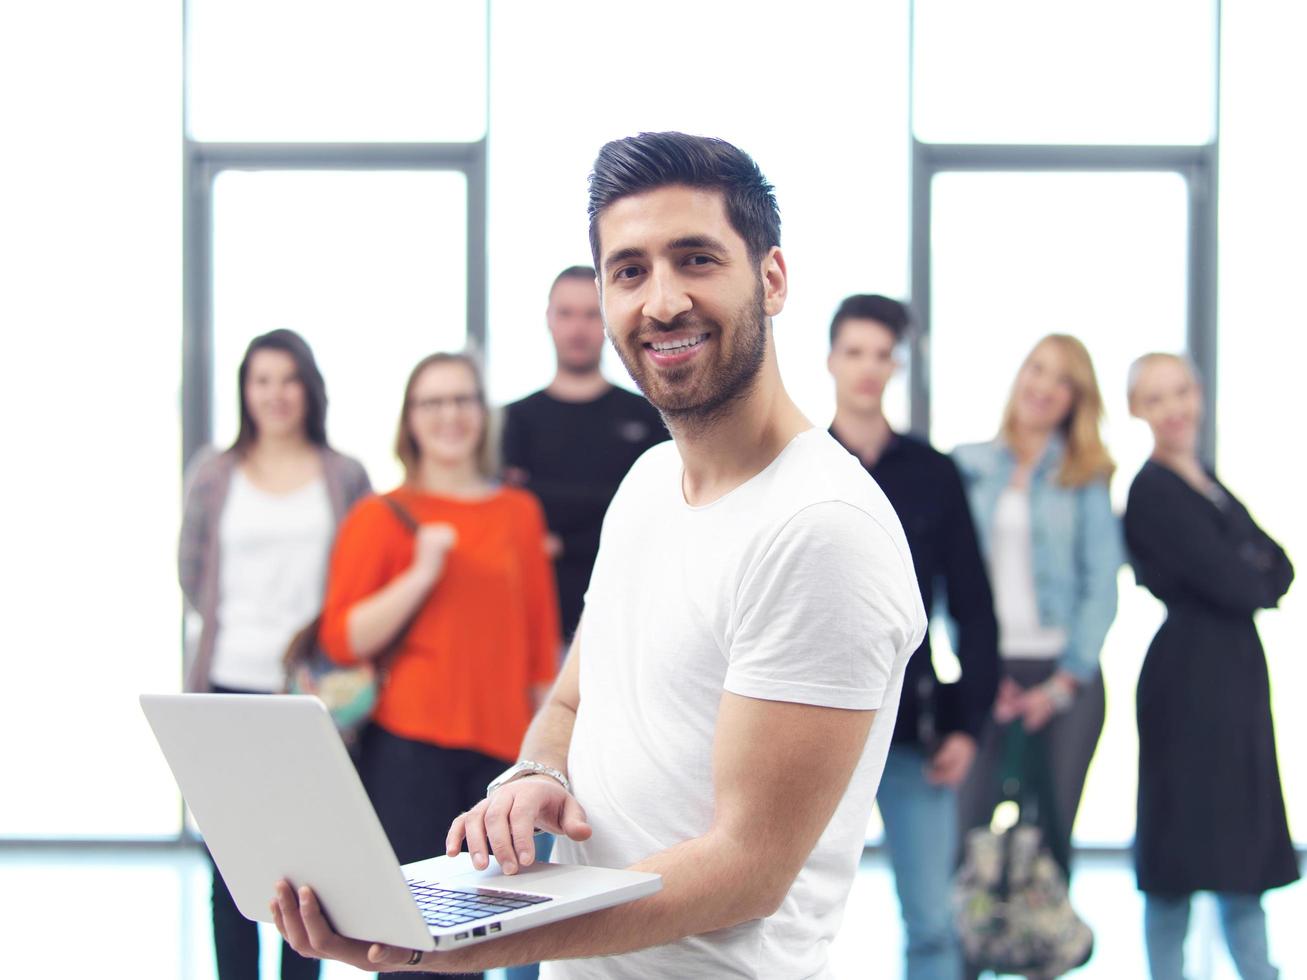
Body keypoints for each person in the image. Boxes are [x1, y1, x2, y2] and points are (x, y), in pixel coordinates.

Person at [272, 131, 927, 978]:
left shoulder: (822, 530)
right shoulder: (650, 482)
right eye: (629, 271)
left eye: (695, 259)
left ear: (771, 278)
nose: (660, 302)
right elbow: (575, 699)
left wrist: (460, 939)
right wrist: (532, 774)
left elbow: (746, 870)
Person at [317, 352, 560, 970]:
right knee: (414, 949)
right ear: (410, 419)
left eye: (462, 400)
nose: (449, 415)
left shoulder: (518, 513)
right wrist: (421, 573)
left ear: (482, 415)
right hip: (408, 756)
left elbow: (540, 649)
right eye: (433, 402)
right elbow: (342, 638)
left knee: (506, 942)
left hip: (502, 765)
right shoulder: (381, 516)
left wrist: (546, 761)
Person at [178, 328, 371, 980]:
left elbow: (362, 574)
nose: (275, 394)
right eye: (261, 380)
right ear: (245, 391)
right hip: (224, 686)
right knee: (229, 867)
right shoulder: (214, 474)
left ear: (308, 389)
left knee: (305, 876)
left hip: (310, 696)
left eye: (288, 379)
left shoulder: (343, 475)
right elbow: (191, 569)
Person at [827, 294, 999, 980]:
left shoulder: (932, 472)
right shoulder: (798, 464)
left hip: (911, 727)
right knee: (781, 914)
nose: (867, 368)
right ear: (830, 360)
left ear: (896, 364)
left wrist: (967, 723)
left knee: (931, 920)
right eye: (854, 352)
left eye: (880, 354)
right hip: (810, 724)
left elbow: (974, 607)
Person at [1123, 353, 1296, 980]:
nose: (1173, 409)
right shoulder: (1152, 490)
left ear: (1198, 394)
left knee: (1240, 859)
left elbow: (1279, 566)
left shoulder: (1204, 479)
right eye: (1156, 398)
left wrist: (1249, 567)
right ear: (1137, 410)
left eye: (1180, 392)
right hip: (1189, 687)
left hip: (1235, 680)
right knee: (1179, 860)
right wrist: (1246, 566)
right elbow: (1242, 582)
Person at [953, 334, 1121, 886]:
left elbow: (1102, 584)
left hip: (1066, 679)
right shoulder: (969, 466)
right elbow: (948, 583)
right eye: (1038, 369)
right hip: (991, 674)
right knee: (965, 840)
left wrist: (1063, 685)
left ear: (1077, 400)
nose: (1045, 387)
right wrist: (978, 672)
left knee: (1047, 848)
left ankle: (1040, 965)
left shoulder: (1086, 477)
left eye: (1063, 380)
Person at [501, 265, 668, 643]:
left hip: (628, 624)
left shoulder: (649, 417)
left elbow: (652, 520)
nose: (578, 328)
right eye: (566, 313)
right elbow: (509, 523)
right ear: (549, 319)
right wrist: (602, 506)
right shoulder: (511, 422)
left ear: (609, 319)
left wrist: (559, 539)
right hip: (532, 629)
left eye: (591, 314)